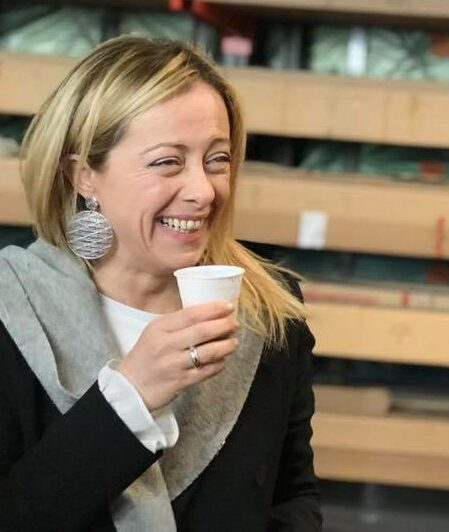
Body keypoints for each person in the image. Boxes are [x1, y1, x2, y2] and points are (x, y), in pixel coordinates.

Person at [0, 36, 322, 530]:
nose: (203, 190)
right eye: (167, 161)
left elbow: (293, 495)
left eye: (217, 159)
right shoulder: (12, 311)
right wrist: (131, 397)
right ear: (84, 175)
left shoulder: (269, 310)